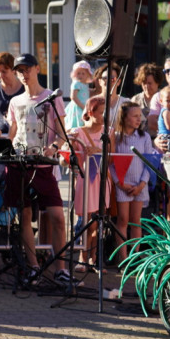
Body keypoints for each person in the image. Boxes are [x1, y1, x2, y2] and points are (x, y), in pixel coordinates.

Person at [5, 53, 70, 288]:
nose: (23, 74)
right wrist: (4, 144)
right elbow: (13, 132)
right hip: (20, 165)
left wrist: (53, 148)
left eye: (27, 69)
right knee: (24, 216)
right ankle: (33, 267)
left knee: (57, 217)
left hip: (43, 166)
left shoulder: (51, 97)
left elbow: (62, 132)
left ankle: (60, 269)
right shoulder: (15, 101)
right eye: (19, 71)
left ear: (37, 68)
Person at [67, 96, 107, 271]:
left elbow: (111, 157)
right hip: (85, 179)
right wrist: (72, 143)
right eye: (101, 112)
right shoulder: (78, 132)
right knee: (85, 220)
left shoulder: (109, 130)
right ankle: (82, 258)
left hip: (102, 178)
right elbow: (70, 158)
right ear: (91, 112)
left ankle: (94, 259)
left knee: (99, 221)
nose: (105, 115)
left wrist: (97, 150)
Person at [111, 102, 153, 262]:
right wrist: (119, 183)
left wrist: (142, 184)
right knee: (122, 219)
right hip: (123, 185)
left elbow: (149, 163)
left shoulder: (144, 137)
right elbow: (111, 163)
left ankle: (135, 258)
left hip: (139, 185)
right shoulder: (115, 137)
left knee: (136, 220)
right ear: (124, 117)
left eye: (139, 116)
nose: (138, 119)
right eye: (135, 116)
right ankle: (123, 257)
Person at [131, 63, 162, 133]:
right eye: (144, 83)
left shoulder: (165, 97)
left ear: (157, 83)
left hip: (160, 139)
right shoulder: (135, 100)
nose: (146, 86)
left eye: (150, 83)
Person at [64, 61, 94, 130]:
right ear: (74, 74)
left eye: (83, 74)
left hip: (83, 107)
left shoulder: (85, 85)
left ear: (88, 75)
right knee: (77, 124)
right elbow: (73, 97)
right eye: (78, 73)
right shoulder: (76, 83)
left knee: (84, 123)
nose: (80, 75)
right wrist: (83, 107)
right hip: (77, 107)